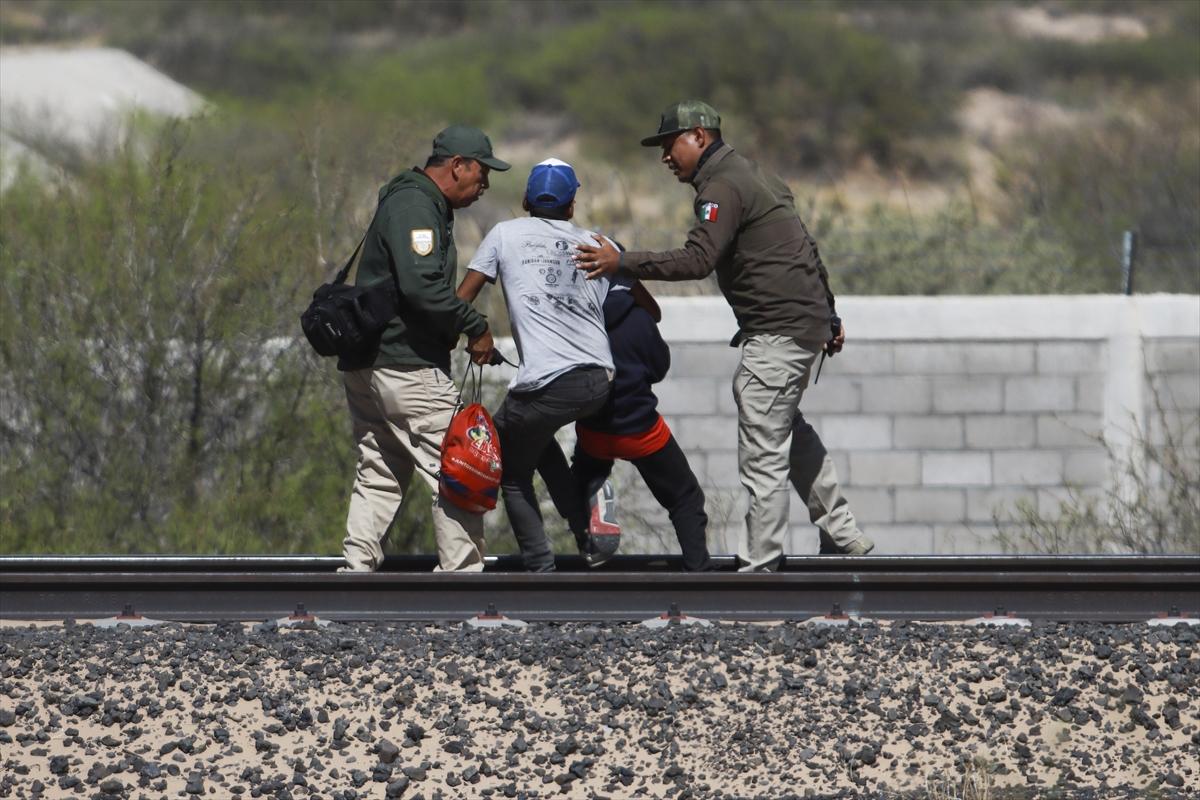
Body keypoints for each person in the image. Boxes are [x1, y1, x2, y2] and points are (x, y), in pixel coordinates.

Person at [574, 100, 874, 571]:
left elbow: (698, 259)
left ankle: (761, 565)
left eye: (669, 145)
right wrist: (828, 316)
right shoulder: (756, 175)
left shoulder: (722, 186)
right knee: (786, 432)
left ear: (698, 136)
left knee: (763, 453)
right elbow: (807, 249)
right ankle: (842, 534)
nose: (665, 157)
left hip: (776, 333)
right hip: (800, 326)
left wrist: (622, 263)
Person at [340, 125, 508, 574]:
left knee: (379, 471)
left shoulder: (414, 201)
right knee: (458, 466)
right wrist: (475, 326)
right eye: (482, 173)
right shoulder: (416, 203)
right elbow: (421, 287)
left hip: (370, 364)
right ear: (458, 166)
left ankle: (354, 572)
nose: (484, 185)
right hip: (404, 364)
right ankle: (463, 580)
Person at [457, 158, 615, 572]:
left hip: (547, 384)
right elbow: (640, 307)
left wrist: (474, 335)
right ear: (571, 205)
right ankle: (586, 532)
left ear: (526, 199)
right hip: (600, 379)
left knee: (510, 471)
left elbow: (462, 300)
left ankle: (541, 566)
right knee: (535, 440)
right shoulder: (598, 242)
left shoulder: (505, 234)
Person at [570, 273, 715, 571]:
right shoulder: (639, 318)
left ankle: (593, 511)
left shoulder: (578, 318)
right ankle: (699, 571)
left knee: (581, 479)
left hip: (593, 430)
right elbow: (659, 367)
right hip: (641, 430)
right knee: (685, 497)